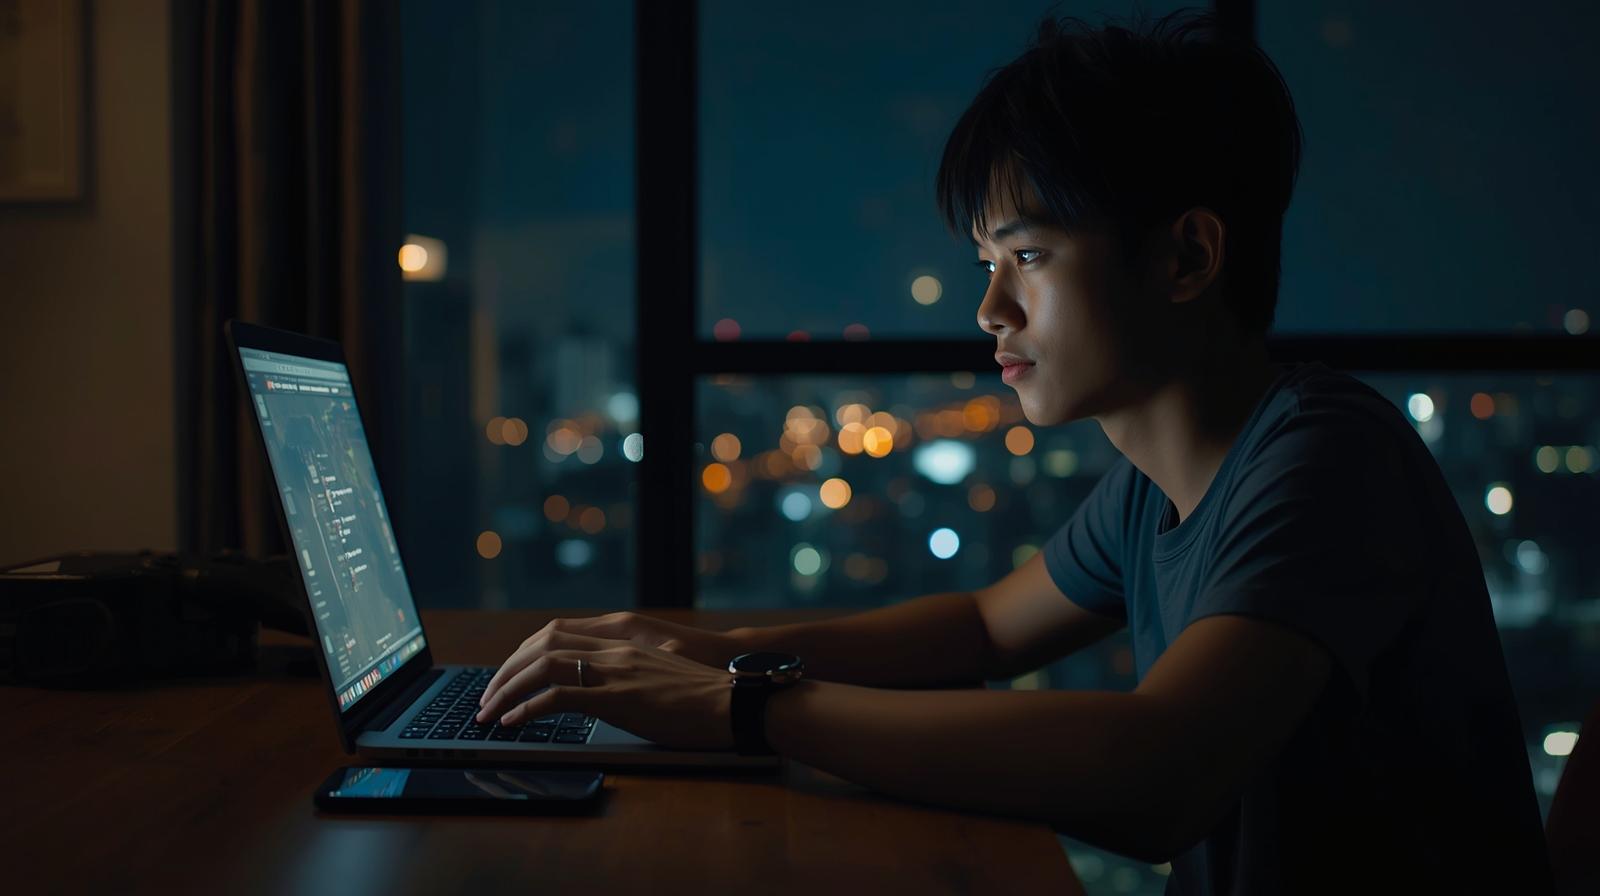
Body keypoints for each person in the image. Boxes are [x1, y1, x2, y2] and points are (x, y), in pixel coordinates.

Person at [476, 10, 1552, 893]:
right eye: (987, 259)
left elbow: (1161, 771)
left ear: (1184, 255)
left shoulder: (1324, 463)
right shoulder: (1159, 484)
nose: (990, 307)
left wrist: (744, 706)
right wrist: (692, 650)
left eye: (1028, 254)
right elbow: (984, 623)